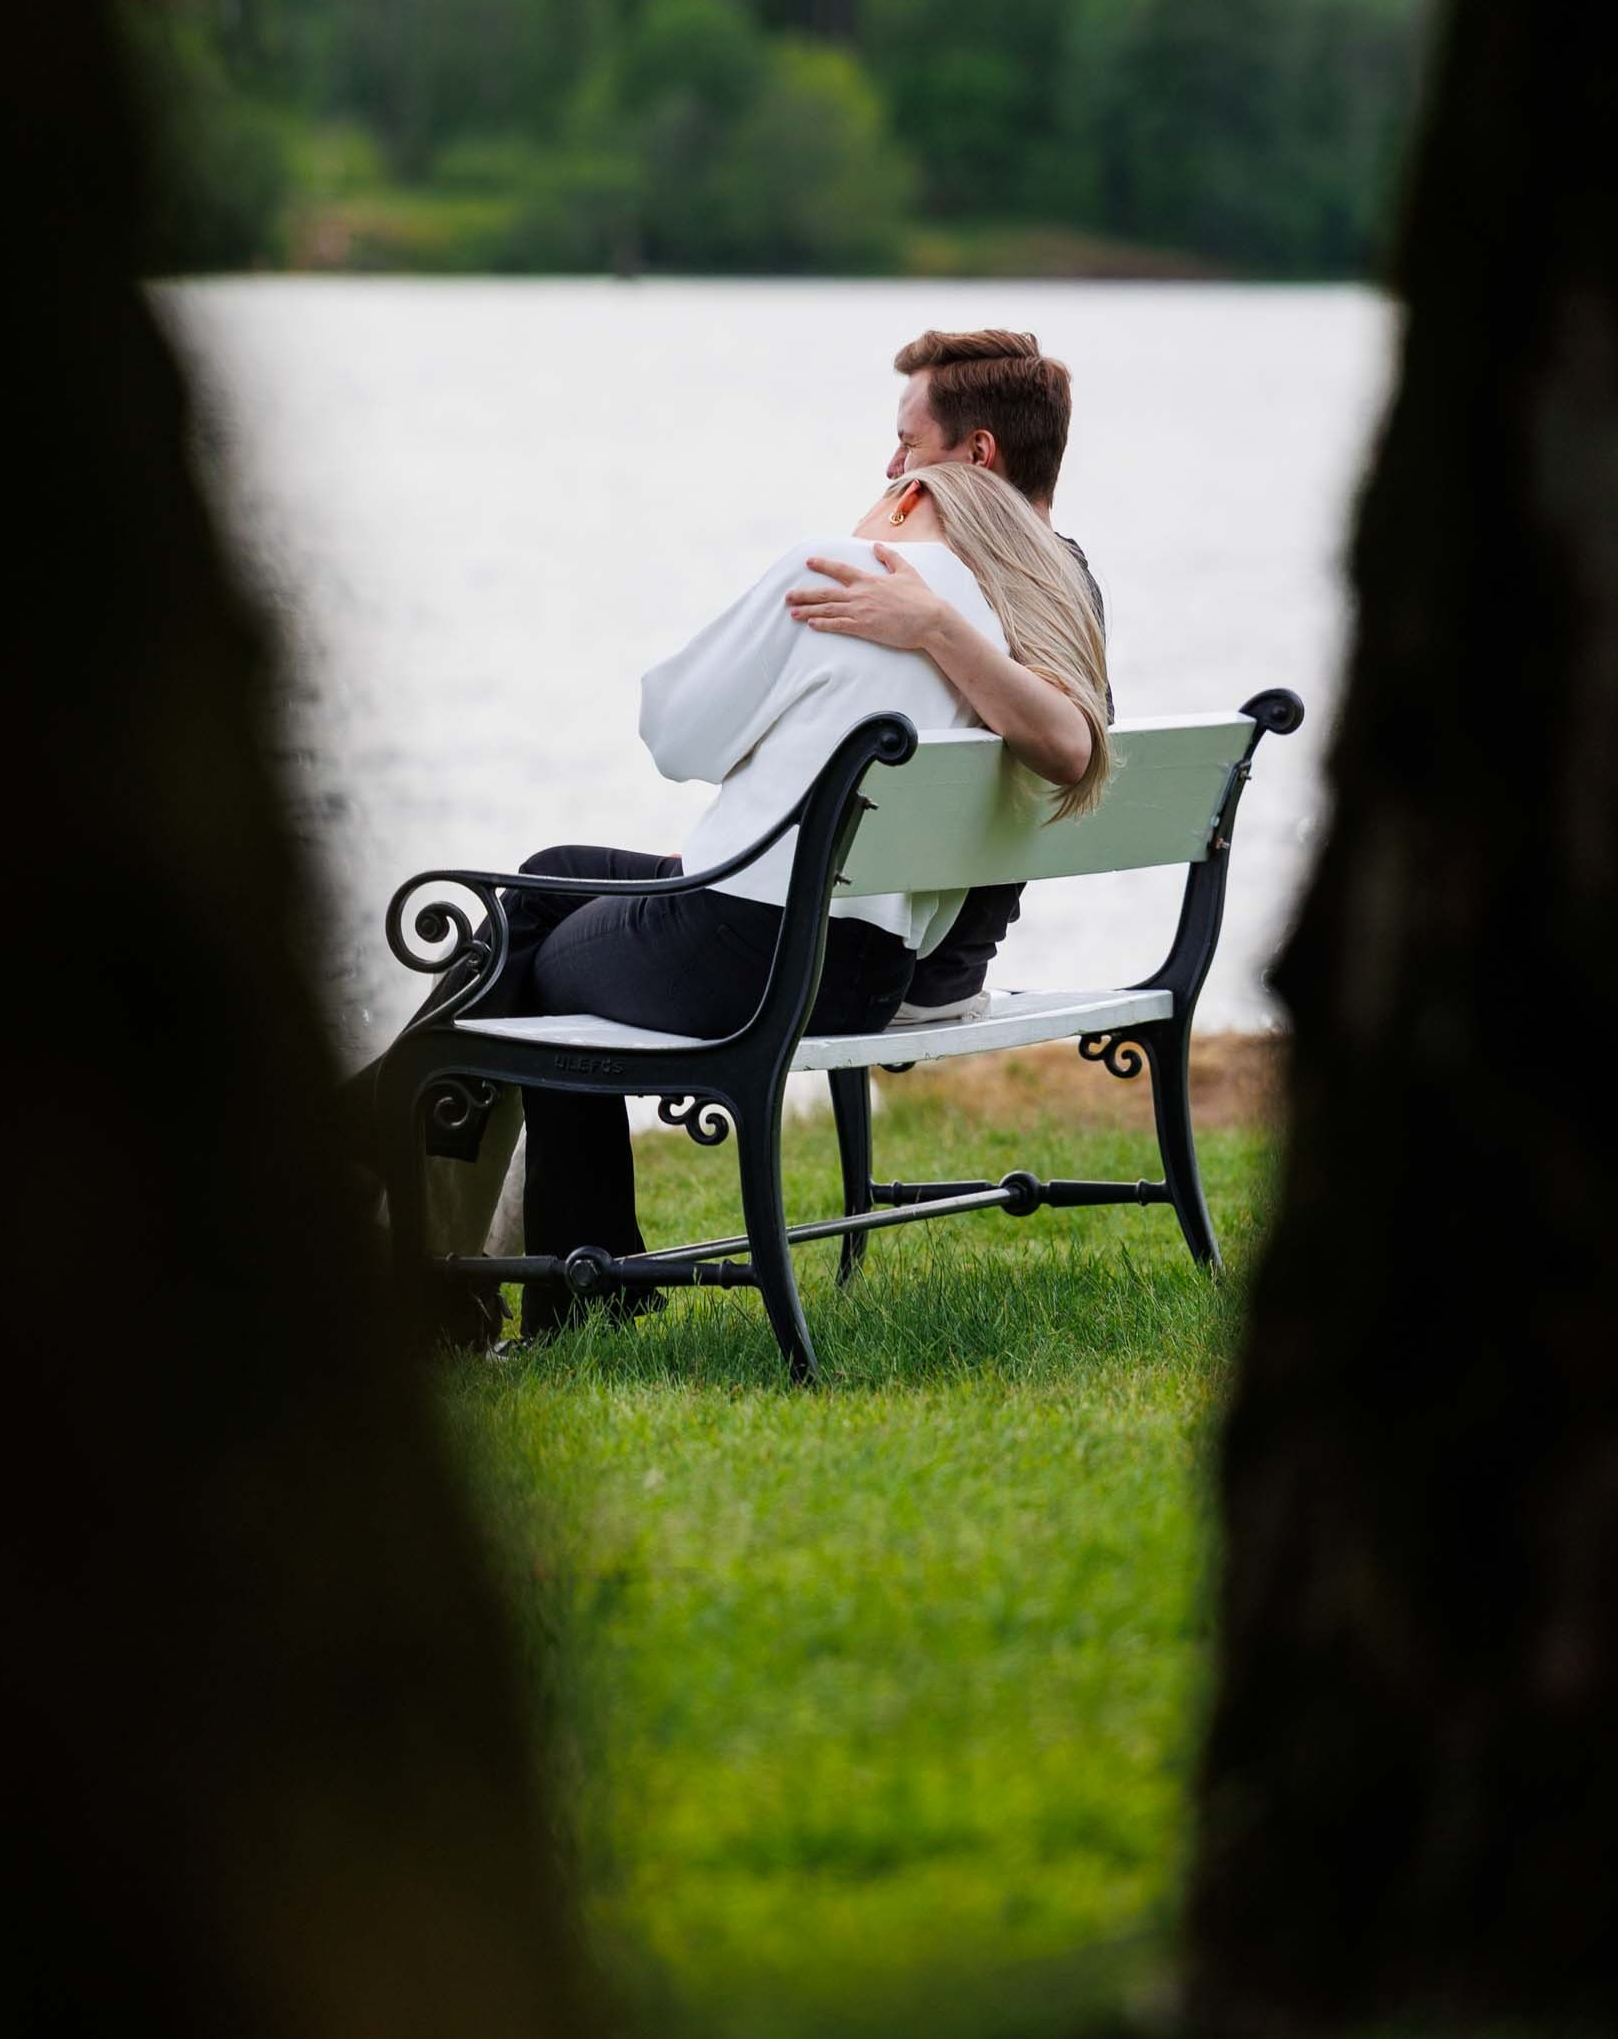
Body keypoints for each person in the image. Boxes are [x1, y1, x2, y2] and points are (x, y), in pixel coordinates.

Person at [399, 452, 1110, 1329]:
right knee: (546, 884)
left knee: (539, 965)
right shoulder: (1014, 619)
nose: (888, 466)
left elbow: (674, 736)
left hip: (750, 953)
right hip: (870, 971)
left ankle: (551, 1281)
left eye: (902, 452)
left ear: (920, 492)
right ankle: (437, 1182)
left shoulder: (842, 571)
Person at [868, 327, 1113, 1027]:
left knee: (578, 889)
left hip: (877, 967)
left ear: (977, 454)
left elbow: (1070, 749)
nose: (893, 468)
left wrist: (934, 624)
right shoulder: (1071, 587)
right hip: (953, 969)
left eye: (909, 444)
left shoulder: (951, 591)